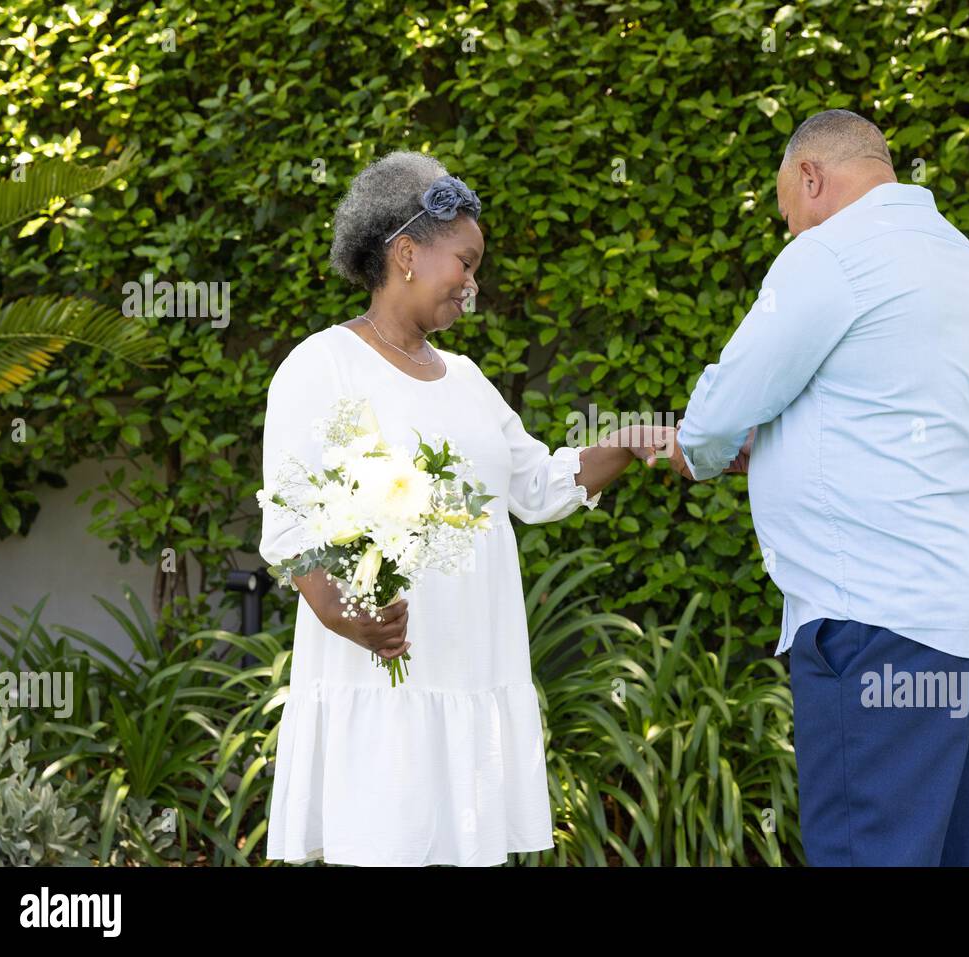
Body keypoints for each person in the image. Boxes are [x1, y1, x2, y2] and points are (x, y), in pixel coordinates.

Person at [259, 150, 670, 866]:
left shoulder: (469, 380)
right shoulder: (320, 366)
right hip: (382, 678)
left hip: (470, 670)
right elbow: (291, 522)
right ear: (408, 254)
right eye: (467, 261)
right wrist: (348, 620)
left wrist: (627, 446)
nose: (474, 284)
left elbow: (538, 486)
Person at [667, 109, 969, 866]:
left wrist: (695, 452)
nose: (791, 236)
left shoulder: (831, 256)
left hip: (875, 621)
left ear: (812, 177)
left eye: (789, 218)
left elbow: (720, 413)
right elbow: (879, 415)